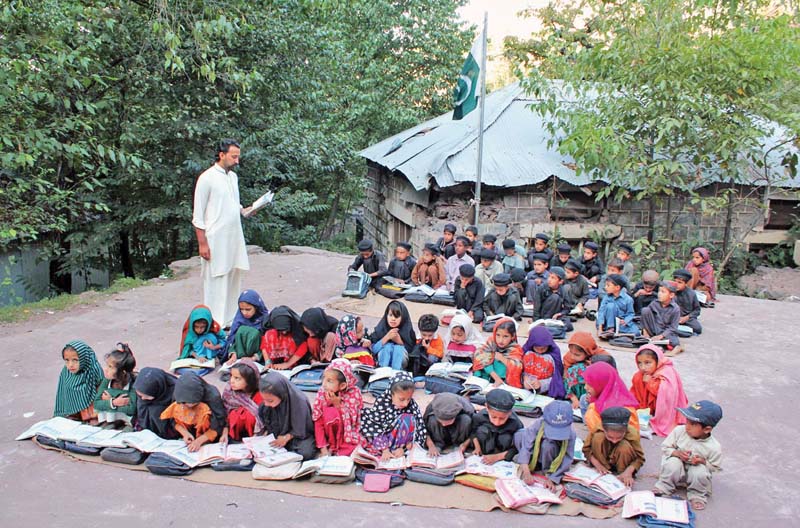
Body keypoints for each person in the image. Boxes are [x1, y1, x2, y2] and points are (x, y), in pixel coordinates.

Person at [192, 139, 251, 325]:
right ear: (221, 155)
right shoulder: (207, 178)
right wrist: (202, 243)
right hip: (215, 239)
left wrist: (250, 209)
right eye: (234, 157)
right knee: (217, 280)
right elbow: (198, 215)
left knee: (234, 275)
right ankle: (215, 323)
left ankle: (231, 320)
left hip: (234, 237)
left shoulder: (233, 178)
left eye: (238, 157)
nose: (237, 161)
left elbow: (234, 206)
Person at [654, 400, 723, 511]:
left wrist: (702, 461)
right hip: (677, 467)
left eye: (693, 424)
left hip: (695, 473)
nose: (687, 426)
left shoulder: (714, 447)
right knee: (672, 463)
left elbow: (715, 467)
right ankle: (664, 487)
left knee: (700, 471)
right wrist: (677, 453)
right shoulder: (679, 431)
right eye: (687, 421)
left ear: (707, 429)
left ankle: (697, 495)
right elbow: (665, 448)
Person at [360, 372, 426, 459]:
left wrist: (404, 449)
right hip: (383, 441)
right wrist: (385, 450)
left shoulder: (412, 406)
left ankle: (398, 449)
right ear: (391, 394)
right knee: (366, 420)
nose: (406, 404)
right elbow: (376, 427)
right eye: (401, 399)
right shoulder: (382, 403)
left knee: (409, 418)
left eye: (408, 399)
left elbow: (419, 428)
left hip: (401, 445)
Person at [515, 400, 576, 489]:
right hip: (535, 452)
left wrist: (553, 478)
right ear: (545, 420)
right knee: (519, 436)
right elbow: (526, 447)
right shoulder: (538, 424)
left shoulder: (571, 433)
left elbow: (568, 458)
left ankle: (546, 470)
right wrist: (526, 471)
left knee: (548, 445)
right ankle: (531, 463)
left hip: (551, 455)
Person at [630, 345, 688, 436]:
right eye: (640, 363)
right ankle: (645, 412)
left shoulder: (667, 372)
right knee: (637, 378)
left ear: (658, 361)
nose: (643, 367)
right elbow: (634, 394)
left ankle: (657, 417)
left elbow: (667, 395)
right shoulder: (640, 375)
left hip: (666, 408)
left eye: (647, 363)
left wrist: (650, 383)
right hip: (647, 409)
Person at [160, 372, 227, 452]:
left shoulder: (212, 396)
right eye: (181, 402)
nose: (183, 406)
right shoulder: (179, 395)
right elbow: (173, 418)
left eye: (187, 403)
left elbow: (219, 424)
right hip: (189, 432)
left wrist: (199, 441)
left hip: (206, 431)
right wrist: (184, 433)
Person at [257, 372, 316, 460]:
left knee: (306, 452)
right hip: (277, 434)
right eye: (264, 400)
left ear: (282, 394)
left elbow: (301, 429)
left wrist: (286, 437)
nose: (266, 404)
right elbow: (266, 423)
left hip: (297, 436)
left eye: (270, 401)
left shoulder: (299, 402)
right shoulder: (267, 405)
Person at [582, 407, 646, 487]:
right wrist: (597, 464)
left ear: (625, 431)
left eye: (619, 437)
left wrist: (628, 472)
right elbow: (586, 449)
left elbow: (640, 458)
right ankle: (604, 469)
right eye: (610, 437)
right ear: (604, 430)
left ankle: (622, 474)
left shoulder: (632, 433)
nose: (614, 441)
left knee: (624, 446)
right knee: (598, 438)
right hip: (603, 461)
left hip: (622, 463)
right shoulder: (598, 428)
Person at [312, 359, 363, 456]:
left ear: (343, 385)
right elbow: (317, 419)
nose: (324, 384)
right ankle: (327, 446)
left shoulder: (354, 393)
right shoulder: (322, 392)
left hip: (346, 434)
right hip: (328, 434)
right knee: (326, 415)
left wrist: (337, 405)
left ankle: (339, 447)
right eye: (324, 379)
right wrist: (323, 448)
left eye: (329, 381)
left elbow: (354, 420)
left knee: (352, 451)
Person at [470, 389, 524, 464]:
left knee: (506, 438)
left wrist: (497, 457)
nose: (497, 423)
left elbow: (518, 446)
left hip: (502, 451)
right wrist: (477, 447)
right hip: (485, 447)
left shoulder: (516, 423)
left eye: (502, 418)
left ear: (510, 412)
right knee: (482, 431)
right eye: (493, 417)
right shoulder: (480, 416)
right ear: (486, 407)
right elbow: (473, 432)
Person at [582, 362, 640, 432]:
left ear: (601, 383)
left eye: (589, 384)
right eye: (585, 383)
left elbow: (632, 434)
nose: (585, 387)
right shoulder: (599, 400)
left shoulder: (625, 410)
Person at [54, 340, 103, 421]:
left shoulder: (93, 369)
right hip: (73, 411)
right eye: (67, 360)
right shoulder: (66, 372)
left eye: (75, 360)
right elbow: (63, 392)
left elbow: (101, 390)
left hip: (93, 410)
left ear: (84, 358)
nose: (70, 365)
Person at [94, 343, 137, 428]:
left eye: (110, 367)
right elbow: (96, 404)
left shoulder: (132, 384)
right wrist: (114, 402)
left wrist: (108, 403)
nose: (106, 369)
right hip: (108, 420)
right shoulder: (107, 381)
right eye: (107, 365)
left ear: (122, 372)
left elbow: (131, 409)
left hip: (126, 423)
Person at [473, 318, 524, 387]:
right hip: (490, 373)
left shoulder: (515, 349)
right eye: (498, 335)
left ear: (513, 336)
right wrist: (496, 378)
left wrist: (502, 359)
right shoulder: (492, 342)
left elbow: (517, 367)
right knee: (479, 353)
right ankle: (479, 381)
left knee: (511, 365)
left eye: (505, 336)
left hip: (504, 379)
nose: (501, 340)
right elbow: (482, 357)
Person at [366, 300, 416, 370]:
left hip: (400, 367)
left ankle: (396, 373)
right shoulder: (381, 329)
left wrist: (400, 342)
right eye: (390, 315)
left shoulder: (407, 331)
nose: (393, 319)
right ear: (386, 315)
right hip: (382, 365)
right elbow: (373, 350)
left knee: (398, 348)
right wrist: (386, 337)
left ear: (403, 317)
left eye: (397, 316)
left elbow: (412, 354)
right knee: (387, 347)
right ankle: (383, 372)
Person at [222, 290, 269, 364]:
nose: (244, 313)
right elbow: (232, 340)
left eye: (248, 309)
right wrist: (233, 354)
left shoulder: (265, 320)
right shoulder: (239, 319)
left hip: (257, 357)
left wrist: (254, 358)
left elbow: (267, 343)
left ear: (256, 307)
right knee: (241, 330)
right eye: (241, 309)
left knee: (255, 332)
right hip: (239, 358)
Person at [222, 359, 263, 441]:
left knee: (249, 415)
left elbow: (264, 417)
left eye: (237, 378)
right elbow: (223, 413)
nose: (232, 381)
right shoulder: (229, 391)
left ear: (249, 380)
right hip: (236, 433)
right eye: (231, 376)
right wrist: (224, 433)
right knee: (234, 414)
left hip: (253, 434)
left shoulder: (260, 394)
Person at [521, 326, 566, 398]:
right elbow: (519, 370)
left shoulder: (553, 356)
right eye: (537, 348)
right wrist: (524, 379)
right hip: (525, 390)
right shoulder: (526, 352)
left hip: (545, 392)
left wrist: (541, 384)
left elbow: (557, 378)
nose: (540, 351)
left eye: (543, 348)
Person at [133, 368, 179, 439]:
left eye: (146, 396)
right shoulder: (142, 390)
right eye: (140, 395)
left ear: (158, 390)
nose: (142, 399)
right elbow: (140, 416)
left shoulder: (175, 394)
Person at [563, 332, 603, 409]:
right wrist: (574, 399)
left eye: (577, 355)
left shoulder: (600, 358)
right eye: (571, 352)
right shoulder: (569, 359)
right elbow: (566, 381)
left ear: (588, 352)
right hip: (575, 394)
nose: (572, 357)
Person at [640, 281, 681, 350]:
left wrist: (661, 336)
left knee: (675, 342)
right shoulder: (654, 303)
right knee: (645, 310)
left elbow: (673, 328)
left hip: (665, 332)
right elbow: (645, 317)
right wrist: (645, 331)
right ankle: (655, 341)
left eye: (663, 292)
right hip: (653, 329)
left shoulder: (675, 309)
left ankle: (658, 342)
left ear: (671, 295)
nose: (659, 294)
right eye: (659, 291)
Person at [532, 267, 573, 331]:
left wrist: (560, 314)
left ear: (560, 281)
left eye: (553, 278)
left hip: (556, 315)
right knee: (555, 297)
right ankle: (547, 325)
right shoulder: (542, 288)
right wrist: (536, 321)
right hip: (544, 315)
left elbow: (567, 308)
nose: (549, 280)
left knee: (569, 326)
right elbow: (536, 308)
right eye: (549, 277)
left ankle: (551, 326)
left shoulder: (563, 290)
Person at [672, 269, 702, 335]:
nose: (676, 284)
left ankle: (679, 330)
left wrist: (687, 317)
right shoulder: (671, 292)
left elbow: (697, 310)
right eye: (675, 282)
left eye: (680, 282)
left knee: (698, 328)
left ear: (686, 284)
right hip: (673, 317)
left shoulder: (691, 294)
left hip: (687, 318)